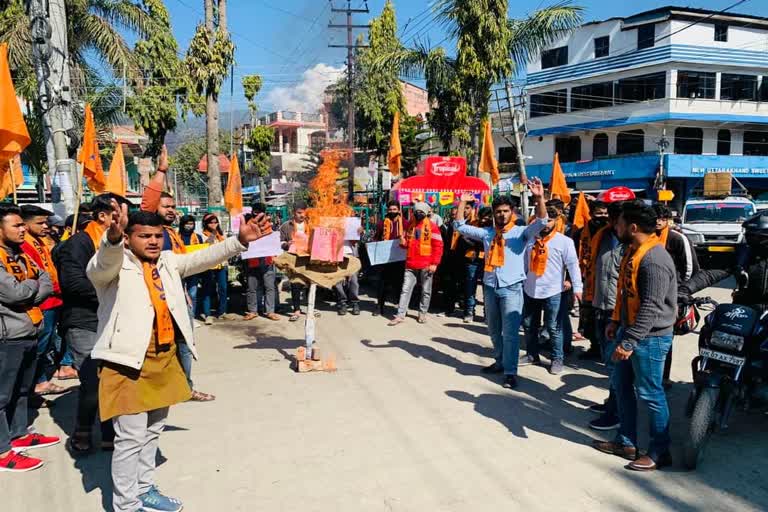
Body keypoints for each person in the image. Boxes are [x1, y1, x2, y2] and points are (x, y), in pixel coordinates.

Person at [87, 201, 271, 511]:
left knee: (152, 432)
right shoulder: (113, 266)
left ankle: (144, 490)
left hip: (164, 358)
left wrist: (239, 240)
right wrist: (113, 238)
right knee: (130, 439)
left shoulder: (169, 262)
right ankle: (126, 505)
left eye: (157, 236)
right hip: (127, 363)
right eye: (144, 236)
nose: (153, 242)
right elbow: (102, 263)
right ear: (129, 238)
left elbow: (203, 257)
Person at [593, 201, 678, 472]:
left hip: (649, 339)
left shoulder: (654, 259)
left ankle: (659, 451)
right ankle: (626, 442)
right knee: (621, 387)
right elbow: (625, 291)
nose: (613, 227)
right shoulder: (633, 250)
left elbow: (652, 306)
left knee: (650, 394)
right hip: (627, 331)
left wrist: (629, 341)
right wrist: (616, 321)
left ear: (632, 227)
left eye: (617, 223)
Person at [455, 179, 548, 389]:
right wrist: (462, 202)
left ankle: (510, 372)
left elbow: (542, 222)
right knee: (494, 330)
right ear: (494, 213)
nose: (502, 215)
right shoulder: (487, 233)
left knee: (511, 334)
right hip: (490, 285)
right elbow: (459, 226)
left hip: (512, 288)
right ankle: (499, 361)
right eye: (498, 211)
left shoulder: (521, 233)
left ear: (512, 212)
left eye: (506, 211)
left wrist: (540, 198)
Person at [55, 194, 124, 453]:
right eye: (117, 214)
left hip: (113, 319)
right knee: (93, 380)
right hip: (84, 321)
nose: (122, 220)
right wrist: (110, 288)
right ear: (102, 216)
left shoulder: (120, 242)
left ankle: (109, 433)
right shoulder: (79, 243)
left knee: (113, 379)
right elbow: (72, 283)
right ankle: (82, 430)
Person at [0, 205, 58, 473]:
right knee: (2, 395)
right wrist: (33, 288)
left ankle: (19, 433)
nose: (23, 229)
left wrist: (31, 288)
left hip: (30, 329)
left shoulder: (23, 254)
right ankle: (2, 450)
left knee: (22, 390)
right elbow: (13, 294)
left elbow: (45, 278)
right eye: (16, 226)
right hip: (7, 336)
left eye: (23, 225)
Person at [521, 206, 583, 375]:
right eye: (544, 219)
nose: (546, 223)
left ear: (557, 220)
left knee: (554, 327)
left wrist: (577, 287)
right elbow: (524, 263)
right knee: (529, 325)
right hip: (530, 289)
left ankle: (557, 359)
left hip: (553, 291)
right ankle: (532, 355)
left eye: (550, 219)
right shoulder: (530, 239)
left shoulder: (564, 241)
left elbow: (573, 265)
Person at [586, 201, 625, 432]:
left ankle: (617, 412)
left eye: (615, 219)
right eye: (609, 217)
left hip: (618, 313)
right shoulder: (601, 237)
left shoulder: (631, 245)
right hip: (600, 307)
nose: (610, 222)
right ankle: (612, 403)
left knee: (615, 366)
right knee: (608, 363)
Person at [19, 205, 66, 396]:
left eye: (46, 222)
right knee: (38, 348)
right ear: (25, 224)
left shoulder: (39, 241)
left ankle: (40, 381)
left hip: (54, 301)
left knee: (45, 347)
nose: (46, 226)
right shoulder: (24, 245)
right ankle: (30, 386)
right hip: (42, 303)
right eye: (40, 223)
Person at [654, 203, 699, 386]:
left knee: (666, 338)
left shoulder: (677, 238)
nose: (657, 222)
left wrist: (678, 290)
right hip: (650, 295)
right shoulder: (648, 237)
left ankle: (664, 378)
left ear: (668, 220)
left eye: (662, 219)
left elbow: (691, 269)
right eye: (654, 218)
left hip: (672, 297)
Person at [388, 201, 443, 326]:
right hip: (411, 264)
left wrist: (434, 263)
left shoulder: (433, 227)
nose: (418, 214)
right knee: (405, 290)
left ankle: (422, 313)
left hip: (427, 265)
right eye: (416, 212)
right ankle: (400, 314)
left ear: (426, 213)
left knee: (426, 290)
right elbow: (408, 244)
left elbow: (438, 246)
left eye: (421, 212)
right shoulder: (410, 226)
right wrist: (403, 242)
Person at [573, 200, 609, 361]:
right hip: (586, 279)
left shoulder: (612, 233)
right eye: (599, 213)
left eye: (605, 213)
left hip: (606, 282)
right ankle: (594, 347)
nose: (602, 217)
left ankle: (605, 350)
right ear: (591, 214)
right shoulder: (580, 233)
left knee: (604, 318)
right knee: (588, 318)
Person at [244, 203, 280, 321]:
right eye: (255, 211)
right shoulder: (246, 224)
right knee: (252, 287)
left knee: (269, 286)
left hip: (267, 260)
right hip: (252, 259)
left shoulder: (270, 225)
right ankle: (253, 311)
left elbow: (274, 240)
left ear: (264, 212)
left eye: (260, 211)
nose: (257, 213)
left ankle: (270, 311)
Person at [373, 200, 406, 317]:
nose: (392, 212)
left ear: (399, 210)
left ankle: (400, 308)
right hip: (385, 258)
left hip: (399, 259)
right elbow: (376, 238)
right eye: (390, 210)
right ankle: (379, 306)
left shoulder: (405, 223)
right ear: (387, 210)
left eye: (394, 210)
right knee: (382, 283)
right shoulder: (381, 223)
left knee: (400, 284)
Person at [280, 202, 310, 322]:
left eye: (304, 212)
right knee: (295, 284)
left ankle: (310, 307)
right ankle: (296, 309)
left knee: (309, 283)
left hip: (308, 257)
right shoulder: (286, 226)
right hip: (293, 258)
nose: (302, 215)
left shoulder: (311, 224)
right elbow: (280, 242)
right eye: (299, 213)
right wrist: (287, 244)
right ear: (294, 213)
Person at [462, 207, 492, 323]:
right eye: (483, 217)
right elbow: (465, 237)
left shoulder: (493, 228)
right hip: (472, 259)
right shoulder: (473, 224)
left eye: (488, 217)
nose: (484, 220)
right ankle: (469, 312)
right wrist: (478, 241)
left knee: (487, 289)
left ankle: (487, 315)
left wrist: (479, 241)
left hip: (487, 260)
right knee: (470, 287)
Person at [200, 213, 229, 324]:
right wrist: (213, 233)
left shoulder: (222, 234)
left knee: (223, 288)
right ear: (206, 224)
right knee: (207, 289)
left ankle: (222, 312)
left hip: (221, 264)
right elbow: (207, 244)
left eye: (215, 222)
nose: (213, 224)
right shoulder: (203, 235)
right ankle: (207, 314)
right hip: (209, 265)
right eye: (211, 222)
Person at [438, 207, 463, 317]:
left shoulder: (464, 228)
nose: (454, 217)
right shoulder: (446, 227)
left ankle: (464, 308)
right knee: (448, 285)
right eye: (452, 215)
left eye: (455, 215)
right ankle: (449, 308)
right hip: (448, 260)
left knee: (462, 286)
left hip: (460, 260)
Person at [178, 214, 203, 312]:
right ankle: (183, 314)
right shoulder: (176, 237)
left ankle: (191, 315)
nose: (189, 225)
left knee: (192, 293)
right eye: (187, 224)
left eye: (191, 223)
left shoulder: (198, 237)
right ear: (182, 224)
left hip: (193, 269)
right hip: (180, 267)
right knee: (180, 293)